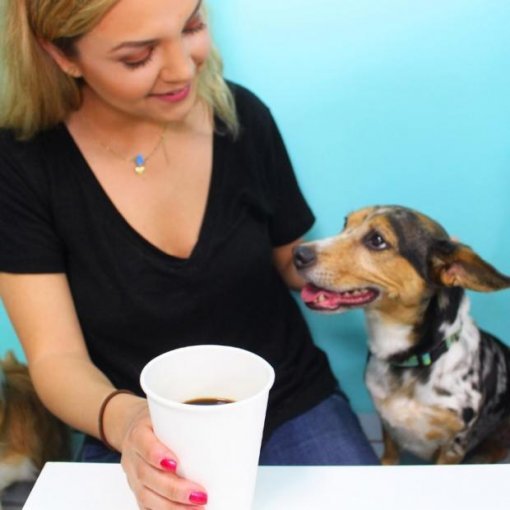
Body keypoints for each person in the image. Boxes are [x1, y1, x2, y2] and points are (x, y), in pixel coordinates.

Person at [0, 0, 378, 507]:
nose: (183, 69)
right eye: (138, 56)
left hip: (289, 401)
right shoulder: (21, 165)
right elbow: (56, 358)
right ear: (62, 56)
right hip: (136, 424)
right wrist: (127, 421)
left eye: (192, 26)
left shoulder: (242, 117)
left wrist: (363, 269)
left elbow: (291, 259)